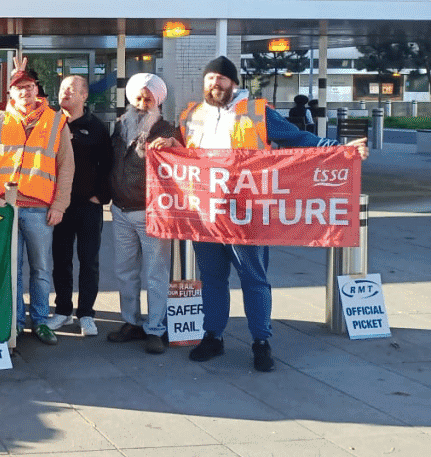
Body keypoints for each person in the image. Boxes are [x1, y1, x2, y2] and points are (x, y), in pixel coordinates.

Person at [152, 56, 369, 372]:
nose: (215, 83)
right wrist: (173, 142)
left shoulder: (256, 112)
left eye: (221, 78)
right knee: (212, 278)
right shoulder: (191, 115)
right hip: (206, 213)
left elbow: (299, 139)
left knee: (254, 279)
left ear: (233, 82)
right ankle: (213, 336)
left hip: (248, 213)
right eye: (210, 78)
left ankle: (261, 341)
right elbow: (187, 151)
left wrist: (342, 151)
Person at [0, 60, 74, 345]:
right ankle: (16, 322)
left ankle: (40, 321)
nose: (25, 92)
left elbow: (66, 166)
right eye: (19, 88)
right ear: (10, 95)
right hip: (5, 207)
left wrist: (60, 205)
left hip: (40, 208)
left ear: (36, 90)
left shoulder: (56, 121)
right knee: (12, 268)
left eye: (28, 86)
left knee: (41, 269)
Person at [107, 73, 178, 354]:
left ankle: (156, 329)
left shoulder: (166, 130)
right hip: (120, 209)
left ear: (157, 101)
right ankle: (131, 322)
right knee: (125, 271)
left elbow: (185, 161)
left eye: (148, 99)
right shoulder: (120, 125)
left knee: (155, 274)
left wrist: (174, 146)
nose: (141, 104)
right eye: (138, 98)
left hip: (152, 213)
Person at [45, 76, 111, 337]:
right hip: (58, 206)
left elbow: (107, 164)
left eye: (71, 89)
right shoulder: (51, 123)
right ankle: (62, 311)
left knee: (88, 260)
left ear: (84, 96)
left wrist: (100, 196)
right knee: (60, 260)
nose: (65, 93)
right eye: (62, 89)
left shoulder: (96, 127)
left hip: (88, 206)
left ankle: (86, 314)